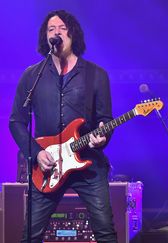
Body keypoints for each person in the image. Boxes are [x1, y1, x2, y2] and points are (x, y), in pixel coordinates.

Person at [9, 10, 118, 243]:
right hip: (46, 167)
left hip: (87, 164)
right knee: (30, 235)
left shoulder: (96, 75)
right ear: (45, 37)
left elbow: (106, 120)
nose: (56, 32)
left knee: (105, 232)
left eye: (62, 28)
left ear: (73, 34)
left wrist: (103, 137)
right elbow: (16, 121)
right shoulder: (32, 75)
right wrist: (36, 154)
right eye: (51, 29)